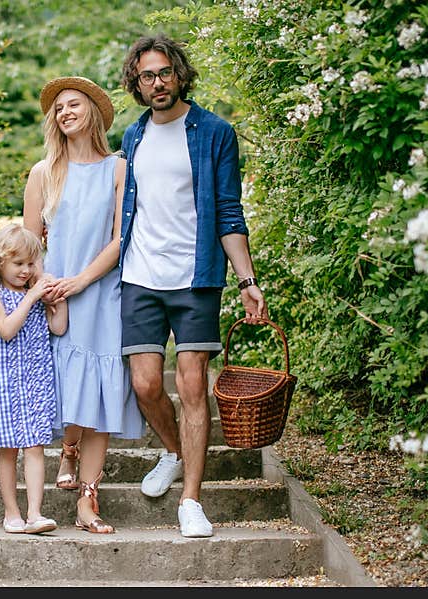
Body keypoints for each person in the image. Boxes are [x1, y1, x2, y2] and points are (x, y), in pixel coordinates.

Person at [118, 34, 267, 538]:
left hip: (195, 277)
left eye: (163, 73)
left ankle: (191, 501)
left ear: (178, 74)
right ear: (136, 84)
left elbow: (229, 212)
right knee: (144, 384)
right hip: (140, 276)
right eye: (146, 76)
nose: (156, 83)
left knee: (191, 386)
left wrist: (247, 280)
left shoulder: (214, 132)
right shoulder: (132, 137)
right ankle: (175, 452)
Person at [23, 76, 145, 534]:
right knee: (66, 385)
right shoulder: (43, 173)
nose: (64, 113)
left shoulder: (118, 169)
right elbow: (28, 245)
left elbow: (120, 238)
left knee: (101, 391)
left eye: (73, 104)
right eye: (58, 108)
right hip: (55, 298)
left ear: (93, 110)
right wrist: (47, 287)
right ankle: (66, 447)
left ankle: (88, 502)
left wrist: (80, 281)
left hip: (101, 294)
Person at [0, 222, 68, 535]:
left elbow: (59, 328)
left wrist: (55, 299)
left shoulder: (35, 294)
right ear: (0, 263)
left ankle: (35, 512)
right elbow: (7, 330)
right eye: (19, 264)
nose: (26, 271)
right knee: (7, 450)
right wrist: (33, 295)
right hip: (4, 385)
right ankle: (12, 513)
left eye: (31, 264)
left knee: (35, 446)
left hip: (35, 382)